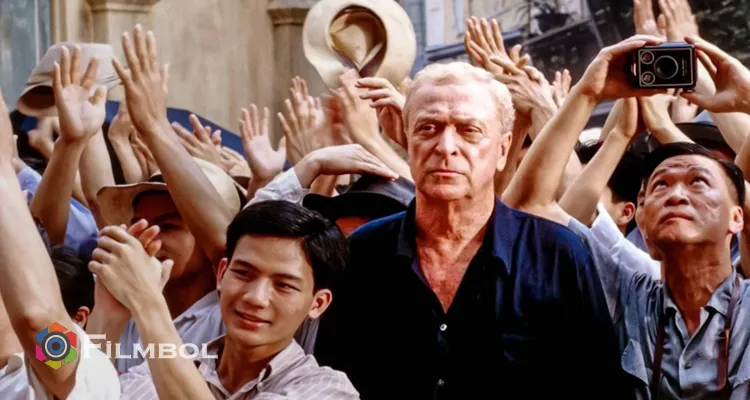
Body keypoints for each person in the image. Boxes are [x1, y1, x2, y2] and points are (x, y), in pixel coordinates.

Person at [313, 61, 628, 398]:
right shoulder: (361, 252)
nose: (446, 146)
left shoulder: (557, 254)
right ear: (408, 140)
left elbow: (599, 386)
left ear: (503, 150)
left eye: (469, 130)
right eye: (428, 128)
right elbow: (331, 382)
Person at [93, 201, 360, 399]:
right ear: (222, 274)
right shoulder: (157, 369)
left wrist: (148, 303)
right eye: (243, 273)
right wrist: (106, 313)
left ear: (318, 303)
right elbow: (70, 374)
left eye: (284, 285)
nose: (256, 298)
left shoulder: (328, 390)